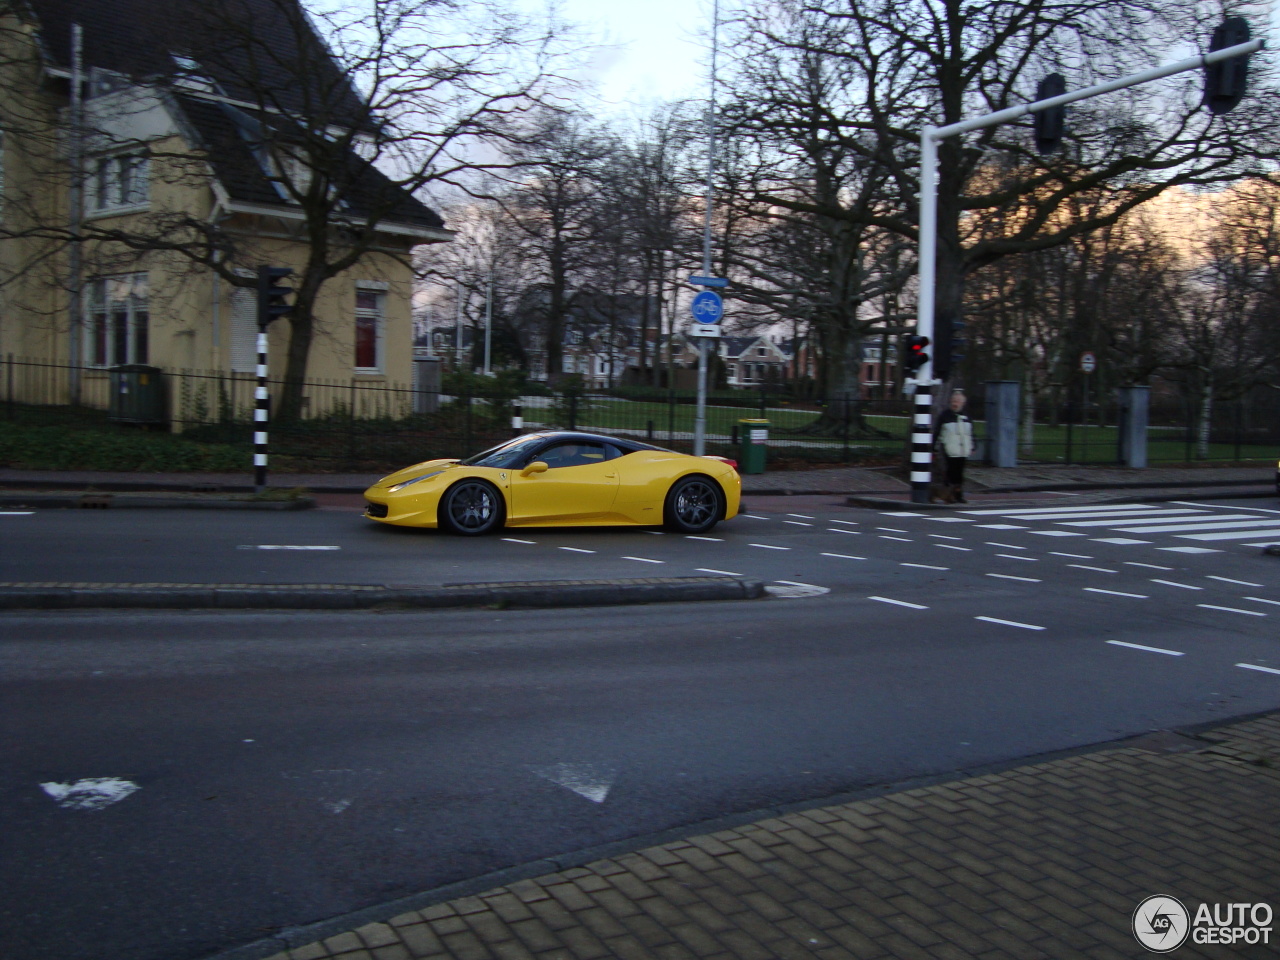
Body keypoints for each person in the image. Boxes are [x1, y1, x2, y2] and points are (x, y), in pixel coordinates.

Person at [935, 389, 975, 503]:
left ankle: (958, 495)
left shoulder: (966, 417)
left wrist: (973, 446)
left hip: (963, 450)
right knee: (950, 473)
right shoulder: (945, 416)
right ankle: (948, 495)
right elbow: (938, 432)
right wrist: (934, 448)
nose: (954, 403)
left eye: (957, 401)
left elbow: (971, 433)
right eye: (953, 400)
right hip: (949, 449)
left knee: (960, 474)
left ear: (963, 403)